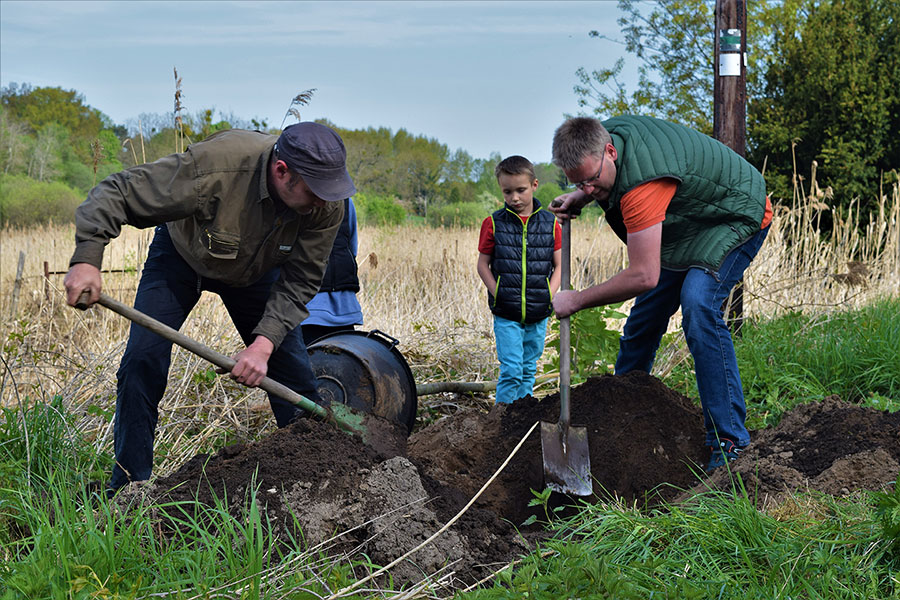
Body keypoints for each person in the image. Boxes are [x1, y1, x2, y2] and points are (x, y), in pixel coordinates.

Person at [63, 122, 356, 495]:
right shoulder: (215, 167)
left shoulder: (326, 203)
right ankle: (129, 490)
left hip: (256, 273)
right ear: (282, 172)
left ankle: (322, 484)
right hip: (181, 260)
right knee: (142, 361)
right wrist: (86, 259)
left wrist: (263, 345)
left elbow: (301, 280)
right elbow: (116, 192)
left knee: (295, 381)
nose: (324, 202)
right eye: (315, 192)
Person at [548, 115, 772, 472]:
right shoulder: (601, 140)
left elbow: (644, 275)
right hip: (685, 224)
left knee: (699, 306)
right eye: (578, 182)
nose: (588, 190)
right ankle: (620, 418)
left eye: (591, 180)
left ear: (610, 152)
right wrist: (582, 194)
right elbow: (602, 180)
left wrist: (577, 299)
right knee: (644, 321)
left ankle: (729, 441)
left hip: (733, 214)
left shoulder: (643, 186)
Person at [477, 155, 562, 404]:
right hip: (507, 312)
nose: (514, 197)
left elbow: (559, 265)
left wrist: (549, 294)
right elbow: (482, 265)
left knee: (527, 371)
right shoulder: (493, 223)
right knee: (512, 371)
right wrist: (498, 293)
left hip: (538, 311)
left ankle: (523, 419)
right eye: (507, 191)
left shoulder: (551, 224)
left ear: (534, 185)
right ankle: (501, 418)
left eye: (520, 190)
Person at [300, 196, 363, 346]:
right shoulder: (346, 201)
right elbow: (352, 248)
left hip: (337, 309)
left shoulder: (295, 196)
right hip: (312, 310)